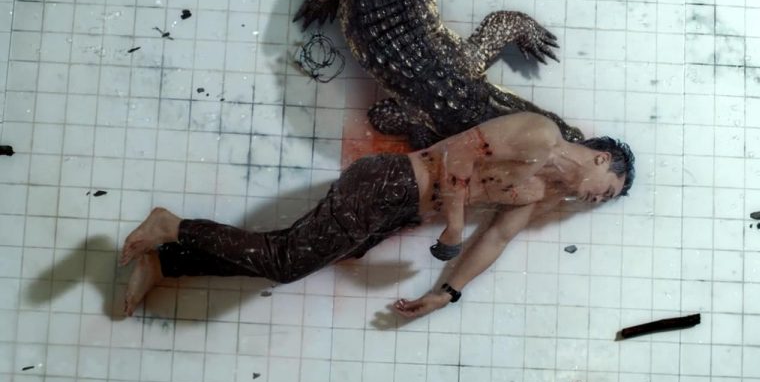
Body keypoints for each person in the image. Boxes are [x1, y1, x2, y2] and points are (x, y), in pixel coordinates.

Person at [120, 112, 635, 318]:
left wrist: (448, 292)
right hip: (391, 182)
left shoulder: (539, 194)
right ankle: (172, 226)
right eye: (607, 191)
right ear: (600, 159)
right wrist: (456, 223)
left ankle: (168, 263)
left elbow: (497, 239)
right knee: (287, 261)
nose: (597, 200)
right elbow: (458, 155)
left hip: (396, 213)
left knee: (289, 253)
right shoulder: (540, 136)